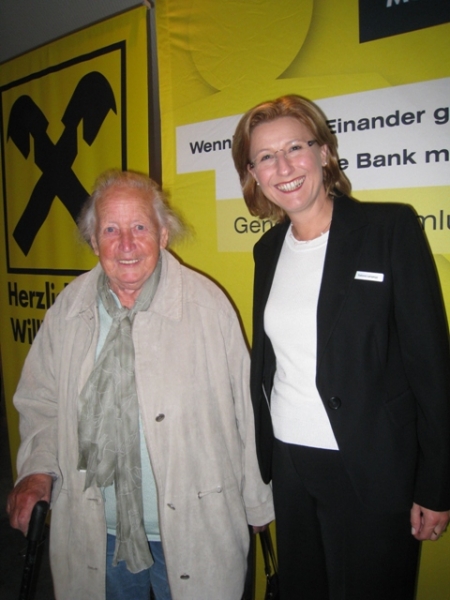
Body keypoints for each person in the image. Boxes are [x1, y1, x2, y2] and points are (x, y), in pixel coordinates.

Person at [7, 169, 274, 600]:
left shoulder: (207, 306)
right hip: (98, 531)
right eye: (110, 229)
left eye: (139, 227)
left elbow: (246, 409)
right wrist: (38, 468)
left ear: (163, 235)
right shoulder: (69, 309)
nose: (126, 244)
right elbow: (41, 401)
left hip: (194, 526)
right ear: (93, 241)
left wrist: (257, 500)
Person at [231, 94, 450, 600]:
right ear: (254, 175)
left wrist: (436, 483)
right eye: (266, 157)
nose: (284, 167)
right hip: (290, 461)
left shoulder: (389, 229)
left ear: (324, 152)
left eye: (295, 148)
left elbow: (430, 365)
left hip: (372, 464)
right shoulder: (267, 250)